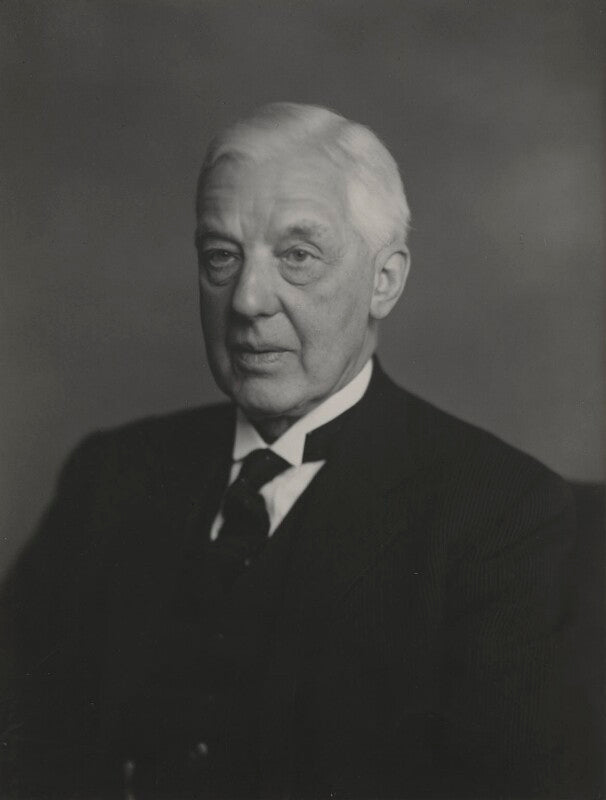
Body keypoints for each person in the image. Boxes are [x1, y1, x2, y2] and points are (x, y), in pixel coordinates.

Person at [0, 103, 582, 799]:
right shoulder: (111, 475)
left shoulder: (503, 517)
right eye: (221, 256)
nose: (247, 300)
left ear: (384, 281)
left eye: (298, 256)